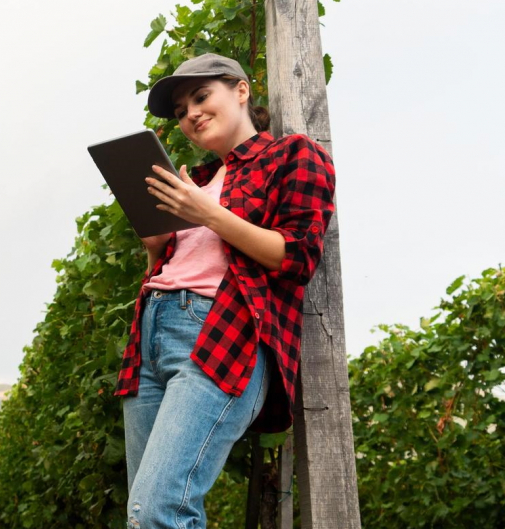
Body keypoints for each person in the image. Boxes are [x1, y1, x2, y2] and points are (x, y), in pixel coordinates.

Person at [113, 53, 336, 529]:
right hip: (148, 344)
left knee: (159, 511)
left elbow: (295, 258)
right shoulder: (190, 183)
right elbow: (171, 268)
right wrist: (156, 248)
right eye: (180, 111)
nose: (190, 113)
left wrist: (208, 214)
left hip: (219, 336)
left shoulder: (292, 155)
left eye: (201, 96)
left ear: (240, 91)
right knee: (141, 518)